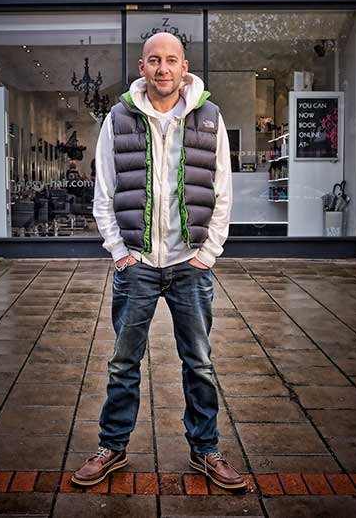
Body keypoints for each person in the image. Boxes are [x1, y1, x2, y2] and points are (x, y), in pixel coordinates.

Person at [71, 32, 242, 490]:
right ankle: (113, 447)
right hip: (138, 264)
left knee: (199, 363)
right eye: (153, 61)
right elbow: (103, 193)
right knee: (123, 363)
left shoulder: (209, 117)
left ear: (184, 67)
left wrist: (209, 254)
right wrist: (120, 253)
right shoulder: (119, 118)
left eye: (171, 60)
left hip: (191, 263)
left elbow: (223, 191)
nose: (162, 69)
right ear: (142, 67)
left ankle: (206, 451)